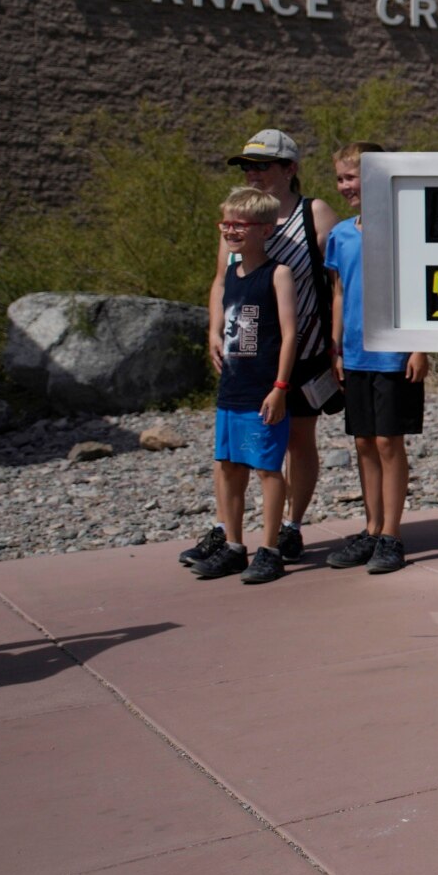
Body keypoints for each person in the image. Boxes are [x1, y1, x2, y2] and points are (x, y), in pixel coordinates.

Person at [208, 128, 338, 562]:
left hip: (302, 349)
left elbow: (337, 280)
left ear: (290, 169)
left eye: (262, 165)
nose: (253, 173)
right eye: (247, 166)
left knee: (299, 438)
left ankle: (290, 526)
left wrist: (337, 341)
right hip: (246, 353)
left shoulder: (313, 213)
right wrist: (213, 330)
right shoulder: (237, 217)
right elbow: (220, 280)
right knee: (238, 448)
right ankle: (231, 534)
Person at [323, 142, 428, 574]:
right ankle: (370, 529)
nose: (346, 186)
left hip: (394, 354)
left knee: (389, 442)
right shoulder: (341, 235)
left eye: (353, 177)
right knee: (364, 441)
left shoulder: (406, 229)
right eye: (341, 178)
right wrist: (336, 348)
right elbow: (339, 292)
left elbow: (424, 288)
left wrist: (420, 345)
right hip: (354, 354)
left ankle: (391, 534)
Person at [183, 187, 297, 583]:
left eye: (238, 224)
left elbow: (289, 334)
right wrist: (213, 333)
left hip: (264, 389)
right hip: (231, 387)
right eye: (225, 223)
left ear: (264, 229)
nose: (230, 231)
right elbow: (227, 316)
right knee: (228, 465)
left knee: (267, 468)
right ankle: (233, 545)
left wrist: (280, 387)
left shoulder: (277, 273)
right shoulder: (231, 272)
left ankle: (270, 549)